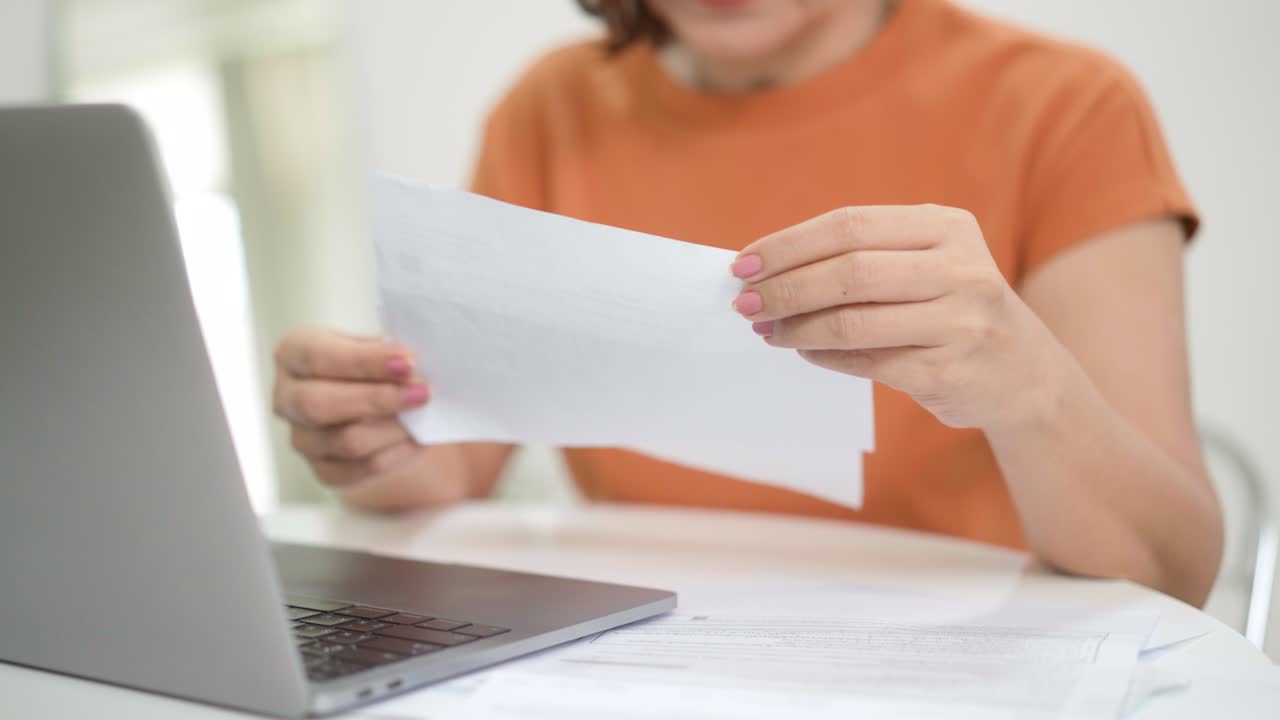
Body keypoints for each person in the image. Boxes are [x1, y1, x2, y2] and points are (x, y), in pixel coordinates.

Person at [272, 0, 1223, 606]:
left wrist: (1025, 383)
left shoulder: (1066, 105)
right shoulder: (548, 108)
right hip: (645, 658)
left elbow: (1171, 570)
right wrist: (363, 435)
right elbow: (449, 468)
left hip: (973, 659)